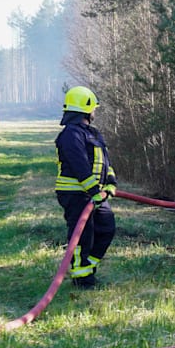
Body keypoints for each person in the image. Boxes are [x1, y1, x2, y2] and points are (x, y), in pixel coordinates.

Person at [55, 86, 117, 289]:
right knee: (83, 235)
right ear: (86, 108)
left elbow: (104, 161)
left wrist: (110, 182)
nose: (95, 112)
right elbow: (79, 164)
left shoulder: (93, 133)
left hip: (95, 194)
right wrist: (94, 191)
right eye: (94, 109)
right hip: (75, 193)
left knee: (107, 228)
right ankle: (82, 279)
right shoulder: (70, 135)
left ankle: (87, 268)